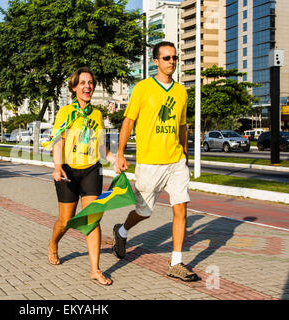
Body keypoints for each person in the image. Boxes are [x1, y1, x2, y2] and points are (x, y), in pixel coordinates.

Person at [112, 41, 199, 282]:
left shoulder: (181, 92)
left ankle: (176, 262)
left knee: (181, 207)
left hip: (175, 161)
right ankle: (122, 230)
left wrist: (185, 153)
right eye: (167, 58)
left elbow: (182, 125)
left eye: (174, 58)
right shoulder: (142, 88)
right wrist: (120, 153)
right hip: (149, 162)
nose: (172, 62)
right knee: (145, 211)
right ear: (156, 61)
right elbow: (128, 121)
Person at [48, 67, 116, 286]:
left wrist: (114, 159)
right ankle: (53, 243)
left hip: (91, 170)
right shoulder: (66, 112)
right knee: (65, 221)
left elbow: (101, 144)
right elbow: (58, 140)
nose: (87, 86)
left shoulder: (97, 114)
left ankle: (95, 270)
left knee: (92, 218)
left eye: (90, 83)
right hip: (68, 170)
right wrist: (57, 167)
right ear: (74, 87)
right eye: (83, 83)